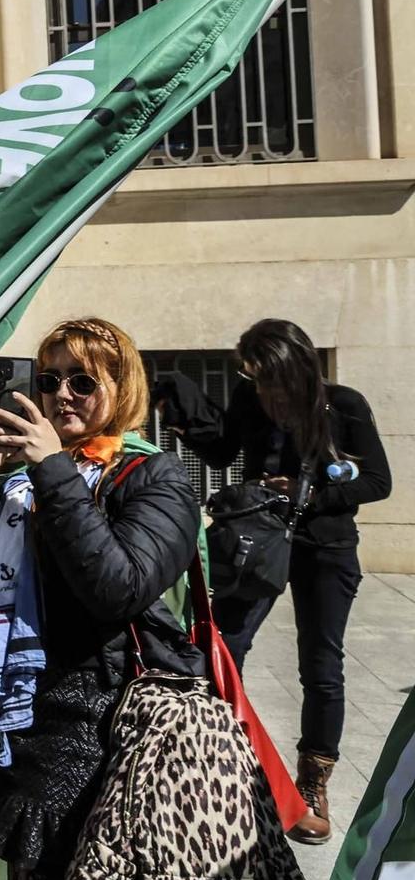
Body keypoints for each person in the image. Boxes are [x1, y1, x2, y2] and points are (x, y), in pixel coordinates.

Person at [0, 318, 203, 880]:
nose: (61, 395)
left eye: (83, 381)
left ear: (122, 389)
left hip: (100, 739)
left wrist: (53, 471)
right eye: (49, 379)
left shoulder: (154, 478)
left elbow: (117, 588)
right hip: (20, 732)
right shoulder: (23, 481)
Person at [157, 318, 393, 844]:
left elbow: (378, 481)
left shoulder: (343, 405)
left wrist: (309, 495)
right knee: (225, 645)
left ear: (296, 369)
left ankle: (312, 783)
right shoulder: (248, 398)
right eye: (253, 377)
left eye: (268, 378)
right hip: (258, 542)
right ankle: (216, 762)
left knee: (320, 663)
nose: (261, 390)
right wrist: (183, 415)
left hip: (324, 548)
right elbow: (222, 453)